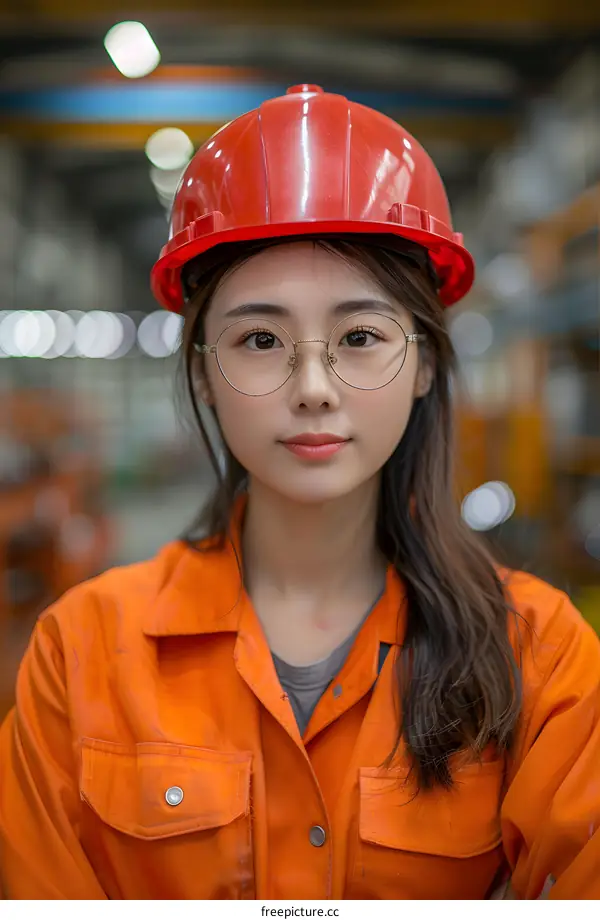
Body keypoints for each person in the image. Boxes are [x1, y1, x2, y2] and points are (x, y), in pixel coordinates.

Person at [0, 84, 599, 901]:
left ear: (424, 362)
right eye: (258, 339)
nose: (313, 386)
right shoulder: (80, 656)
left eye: (358, 336)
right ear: (204, 372)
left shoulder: (544, 658)